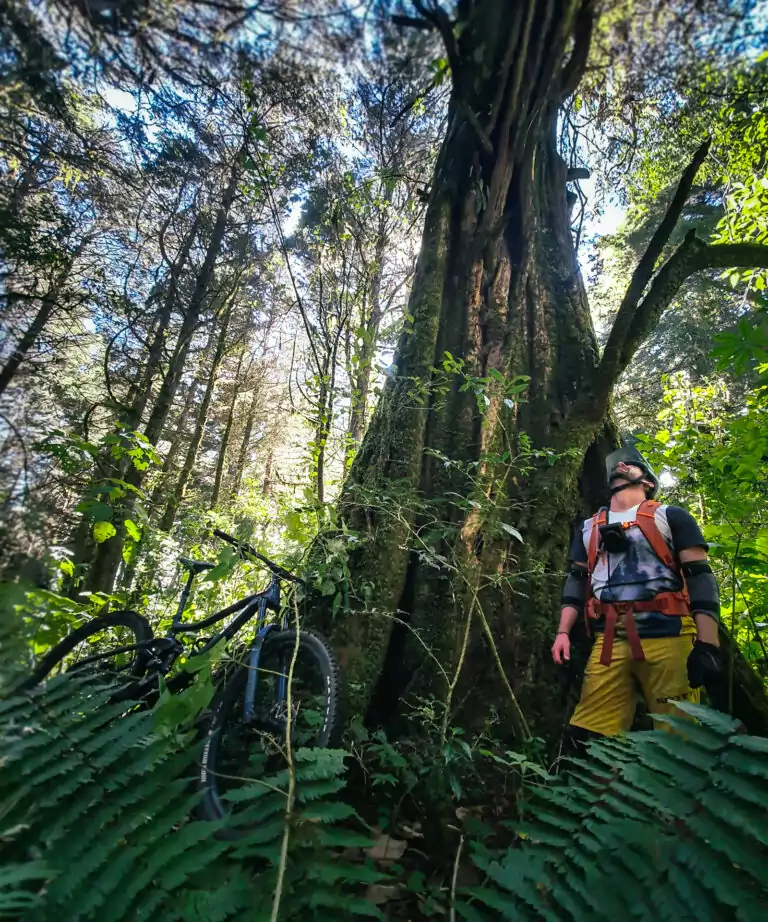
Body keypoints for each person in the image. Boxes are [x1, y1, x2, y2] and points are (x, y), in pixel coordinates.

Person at [552, 445, 723, 737]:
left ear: (648, 481)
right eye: (618, 464)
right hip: (610, 637)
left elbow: (700, 577)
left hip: (669, 633)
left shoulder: (671, 516)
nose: (623, 464)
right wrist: (563, 632)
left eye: (633, 464)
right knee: (592, 734)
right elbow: (576, 579)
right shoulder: (588, 527)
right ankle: (602, 783)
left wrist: (708, 645)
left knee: (679, 735)